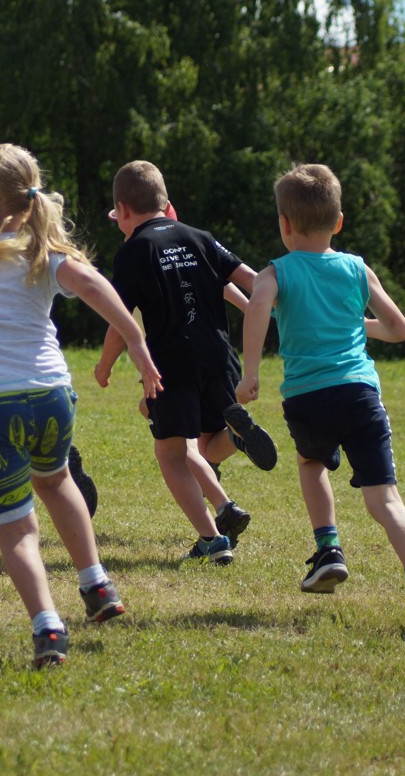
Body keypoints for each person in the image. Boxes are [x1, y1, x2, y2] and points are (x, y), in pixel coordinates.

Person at [0, 142, 161, 668]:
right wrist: (136, 343)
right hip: (51, 395)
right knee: (57, 481)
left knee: (15, 525)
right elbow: (95, 286)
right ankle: (96, 583)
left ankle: (47, 625)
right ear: (29, 199)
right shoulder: (43, 253)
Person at [235, 163, 405, 633]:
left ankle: (328, 549)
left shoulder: (276, 272)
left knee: (311, 463)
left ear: (285, 224)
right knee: (385, 499)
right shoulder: (356, 268)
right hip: (360, 394)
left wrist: (250, 374)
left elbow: (258, 307)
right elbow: (398, 329)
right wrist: (353, 325)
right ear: (339, 222)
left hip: (308, 397)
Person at [95, 160, 274, 564]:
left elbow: (119, 321)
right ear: (165, 201)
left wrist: (104, 367)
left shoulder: (134, 251)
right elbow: (253, 280)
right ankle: (237, 440)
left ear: (122, 210)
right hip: (219, 358)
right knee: (205, 445)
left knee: (172, 453)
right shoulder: (201, 237)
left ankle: (212, 538)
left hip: (172, 366)